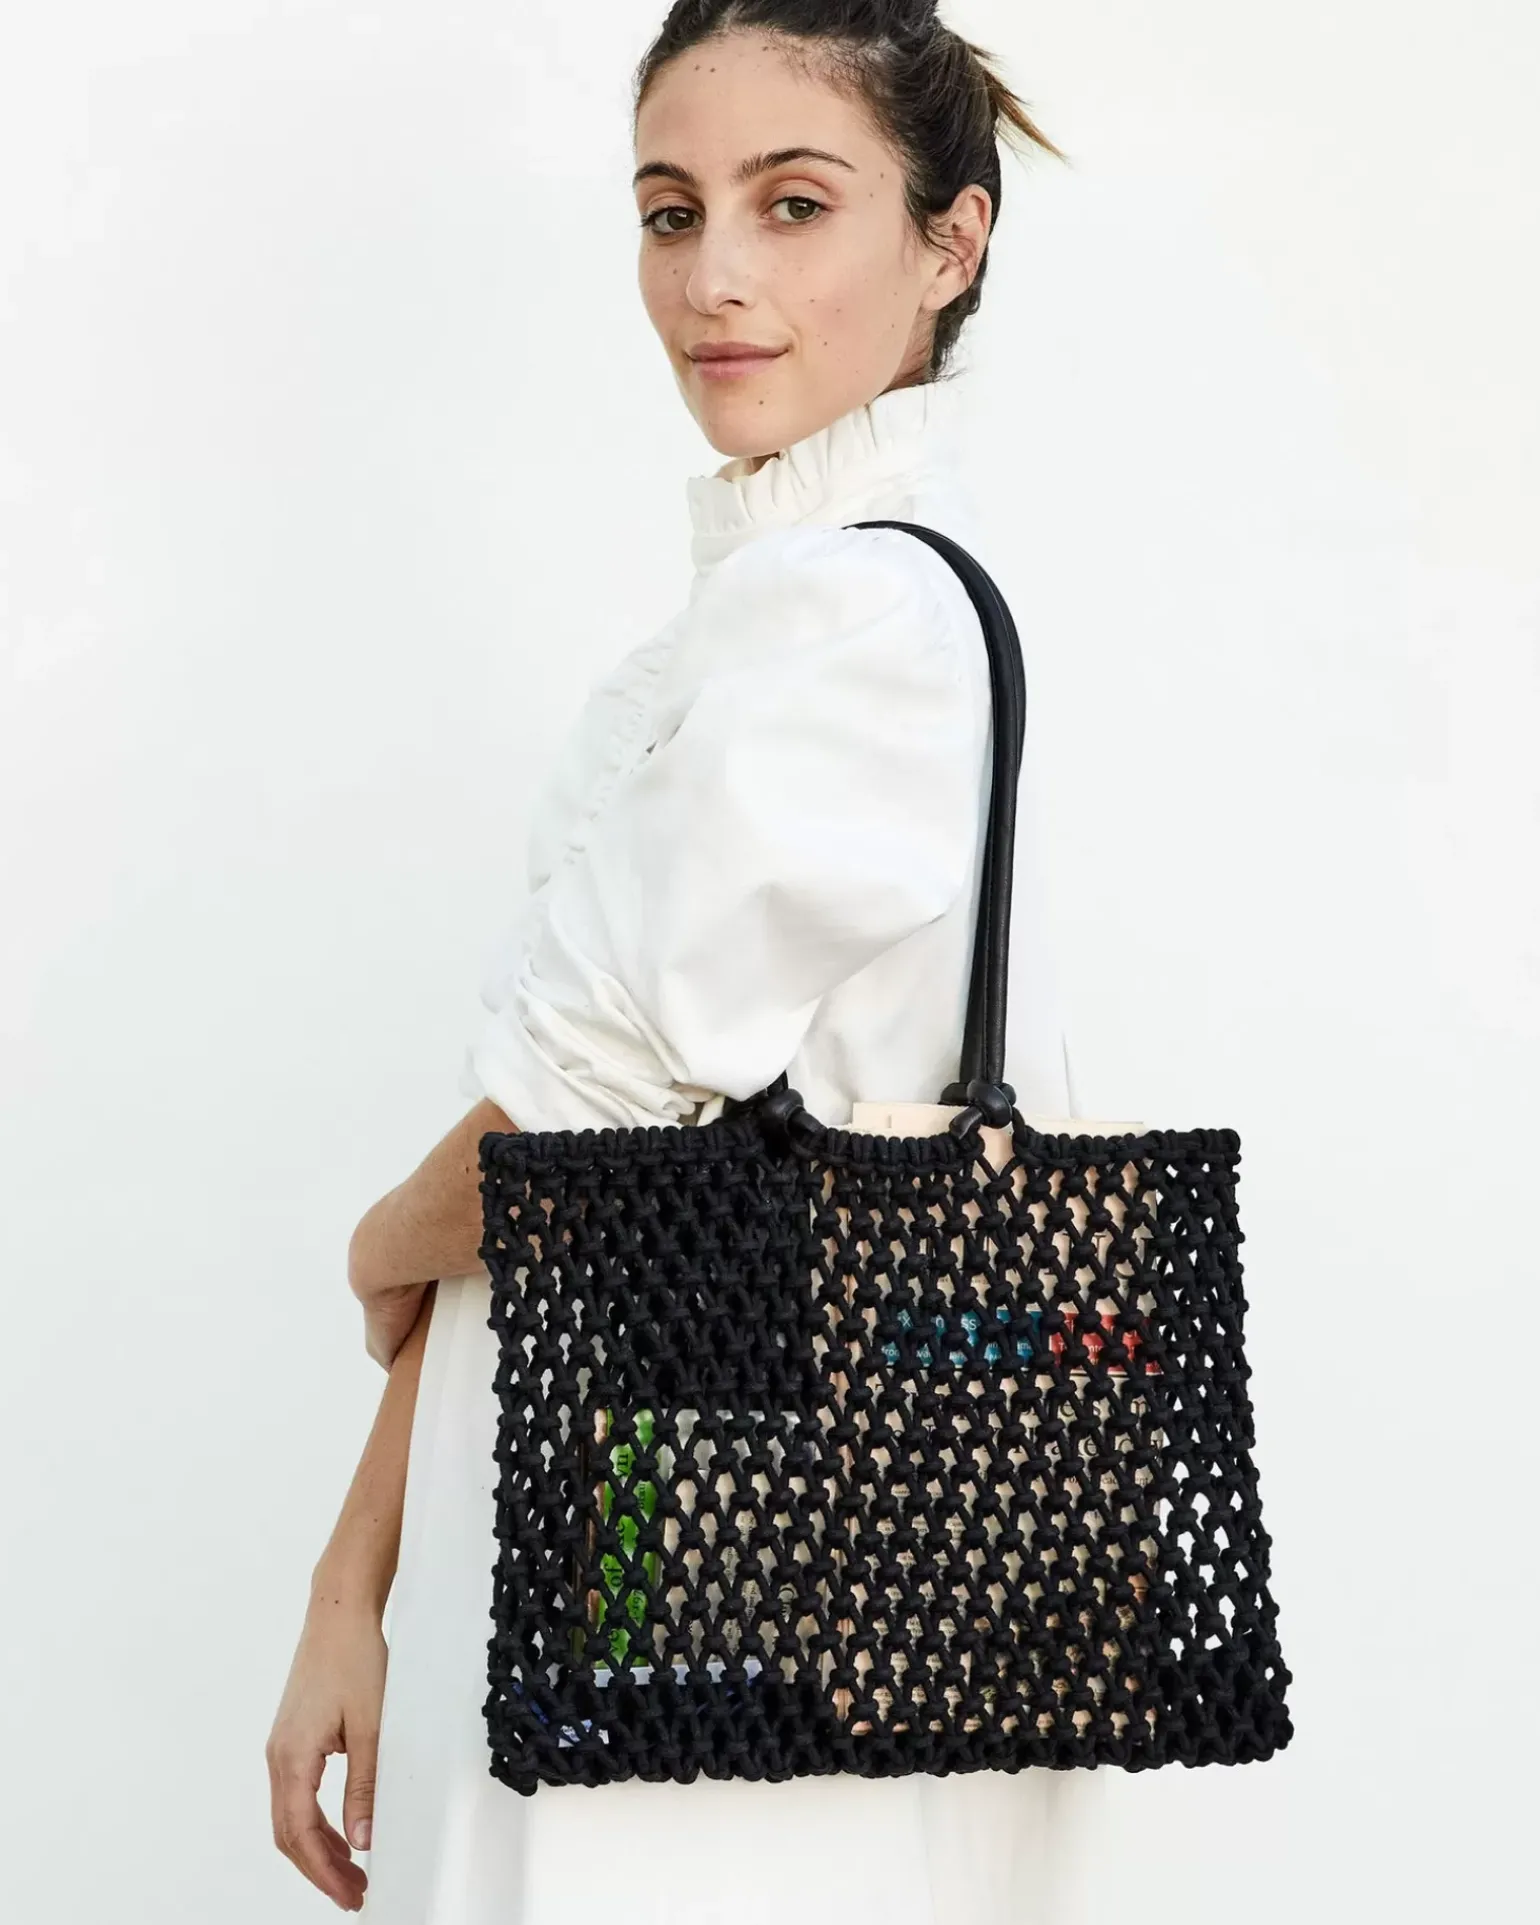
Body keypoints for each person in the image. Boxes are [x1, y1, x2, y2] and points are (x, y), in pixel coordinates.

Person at [267, 4, 1107, 1917]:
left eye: (793, 204)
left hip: (736, 1607)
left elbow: (556, 1124)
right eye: (671, 212)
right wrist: (351, 1584)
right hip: (624, 1556)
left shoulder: (861, 614)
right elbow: (553, 1165)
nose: (714, 276)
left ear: (951, 239)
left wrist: (375, 1242)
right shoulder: (756, 613)